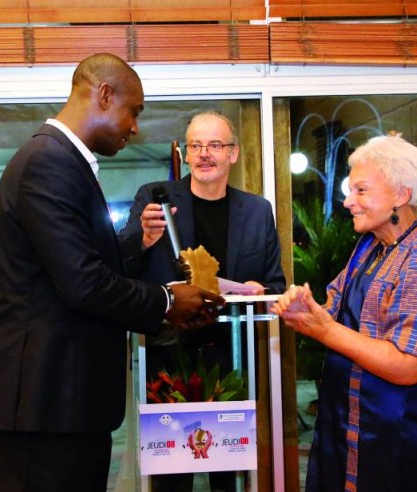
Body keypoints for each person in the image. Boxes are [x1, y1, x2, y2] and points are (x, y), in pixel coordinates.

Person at [0, 53, 224, 492]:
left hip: (65, 407)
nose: (135, 127)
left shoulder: (64, 162)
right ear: (105, 95)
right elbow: (83, 283)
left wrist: (158, 281)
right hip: (46, 409)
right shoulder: (47, 162)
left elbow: (86, 269)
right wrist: (168, 301)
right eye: (134, 111)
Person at [271, 133, 417, 492]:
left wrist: (323, 329)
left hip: (383, 433)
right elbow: (334, 309)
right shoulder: (369, 246)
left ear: (400, 195)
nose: (347, 201)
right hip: (341, 420)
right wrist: (303, 310)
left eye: (360, 190)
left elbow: (408, 363)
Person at [118, 110, 286, 491]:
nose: (205, 154)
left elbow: (275, 281)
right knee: (171, 477)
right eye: (196, 146)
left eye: (215, 145)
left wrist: (257, 287)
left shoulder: (258, 211)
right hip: (166, 356)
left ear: (233, 154)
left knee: (229, 475)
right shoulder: (155, 199)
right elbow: (122, 262)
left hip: (232, 357)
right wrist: (144, 239)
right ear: (186, 153)